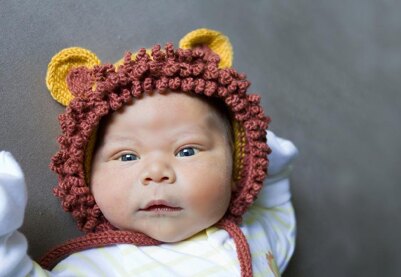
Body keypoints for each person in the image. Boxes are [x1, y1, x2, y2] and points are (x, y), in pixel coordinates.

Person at [0, 28, 298, 277]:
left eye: (187, 151)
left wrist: (273, 176)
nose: (157, 172)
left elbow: (279, 220)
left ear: (237, 169)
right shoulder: (102, 265)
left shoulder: (253, 236)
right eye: (127, 157)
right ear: (86, 179)